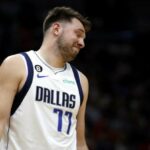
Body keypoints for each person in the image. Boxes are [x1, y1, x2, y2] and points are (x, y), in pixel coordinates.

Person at [0, 6, 91, 150]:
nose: (82, 43)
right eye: (78, 34)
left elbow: (80, 143)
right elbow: (1, 123)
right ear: (56, 29)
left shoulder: (81, 80)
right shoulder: (17, 64)